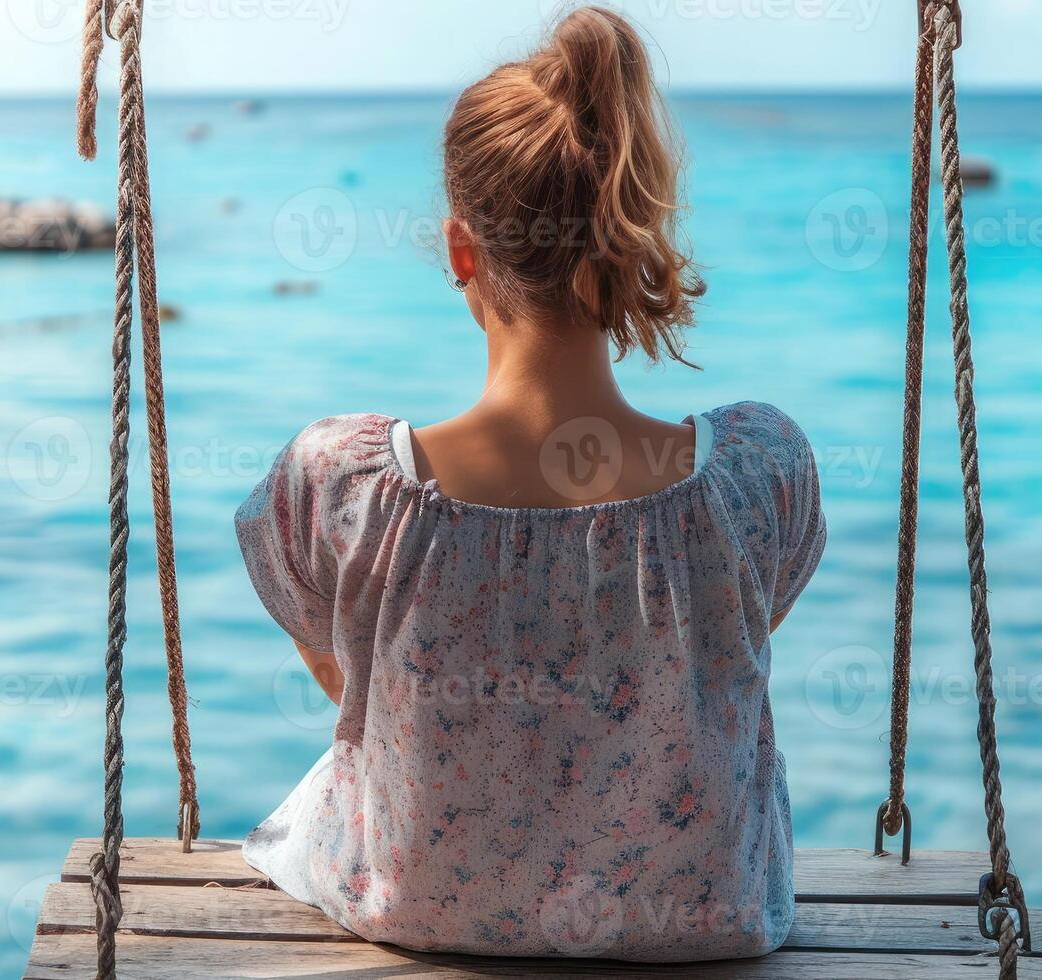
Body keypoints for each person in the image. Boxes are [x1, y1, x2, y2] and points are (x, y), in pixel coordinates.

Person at [235, 5, 824, 961]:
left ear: (462, 250)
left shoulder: (339, 484)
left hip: (417, 903)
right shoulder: (758, 477)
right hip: (705, 917)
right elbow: (727, 655)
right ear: (626, 237)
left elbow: (345, 676)